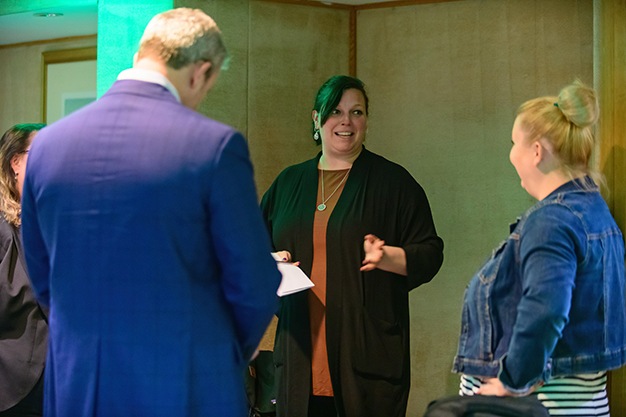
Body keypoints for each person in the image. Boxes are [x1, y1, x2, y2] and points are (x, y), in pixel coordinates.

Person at [20, 8, 281, 417]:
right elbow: (255, 283)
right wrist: (220, 355)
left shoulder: (48, 146)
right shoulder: (213, 147)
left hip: (80, 384)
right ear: (201, 72)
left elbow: (42, 276)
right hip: (184, 384)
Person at [261, 75, 444, 417]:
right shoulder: (288, 182)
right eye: (336, 111)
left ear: (366, 121)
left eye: (356, 112)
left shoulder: (393, 183)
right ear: (316, 119)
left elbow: (430, 252)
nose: (346, 121)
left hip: (366, 361)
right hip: (298, 355)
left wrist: (389, 257)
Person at [452, 81, 626, 416]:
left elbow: (546, 308)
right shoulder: (593, 211)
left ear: (536, 151)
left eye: (514, 143)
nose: (510, 155)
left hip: (541, 406)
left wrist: (513, 379)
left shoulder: (552, 221)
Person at [0, 124, 47, 417]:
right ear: (15, 162)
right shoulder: (3, 225)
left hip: (56, 375)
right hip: (15, 382)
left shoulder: (47, 218)